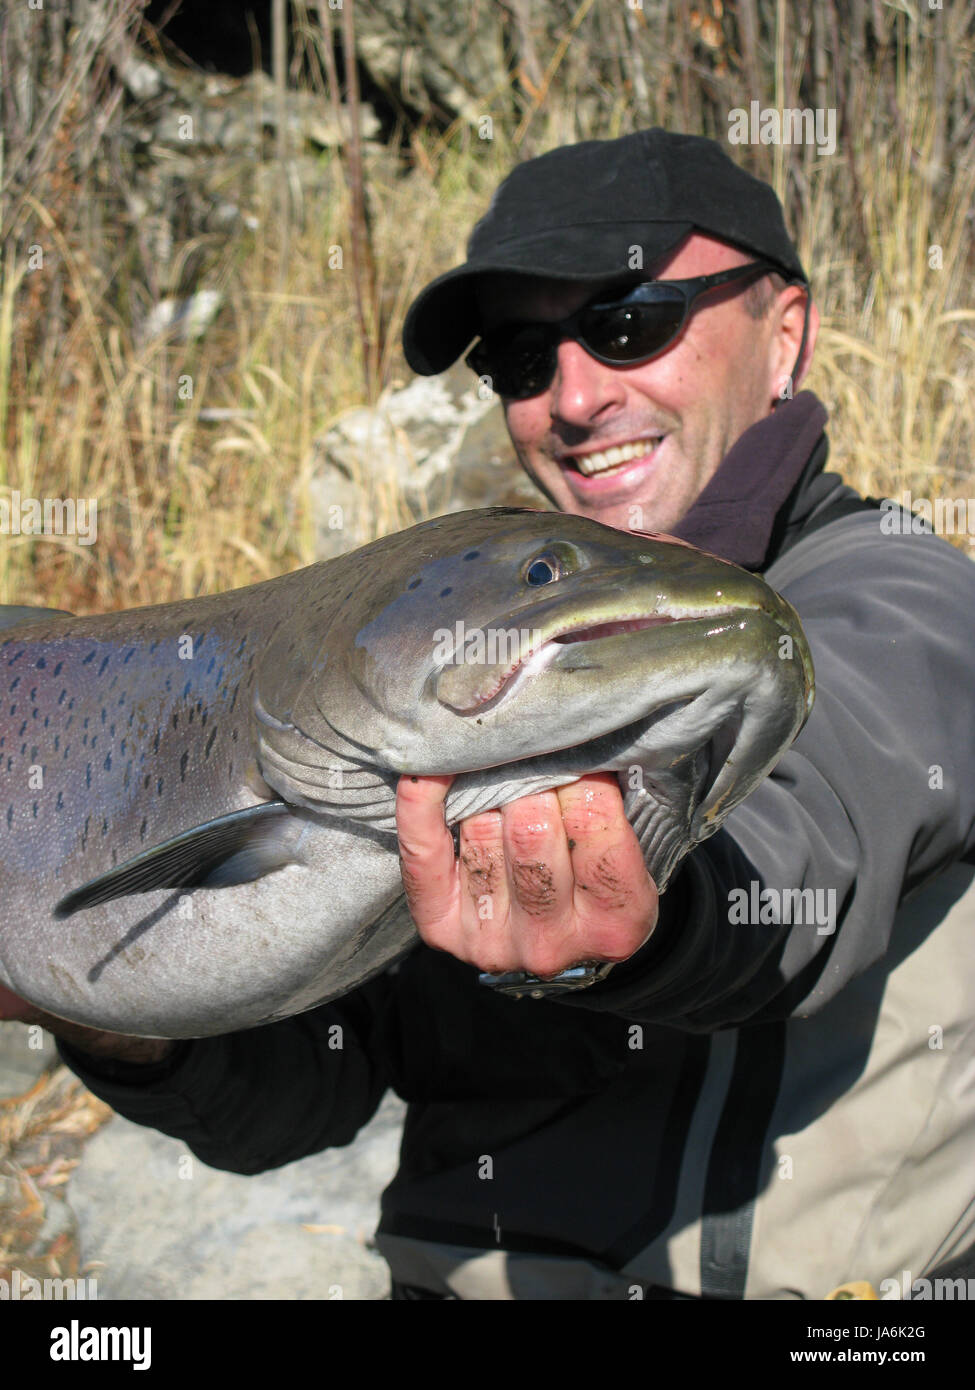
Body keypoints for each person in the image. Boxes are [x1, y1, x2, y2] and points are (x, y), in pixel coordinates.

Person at [4, 128, 974, 1301]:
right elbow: (306, 1101)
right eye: (521, 357)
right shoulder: (454, 685)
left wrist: (645, 911)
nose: (573, 395)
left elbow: (804, 838)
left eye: (631, 321)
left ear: (787, 335)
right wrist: (109, 1011)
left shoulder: (905, 590)